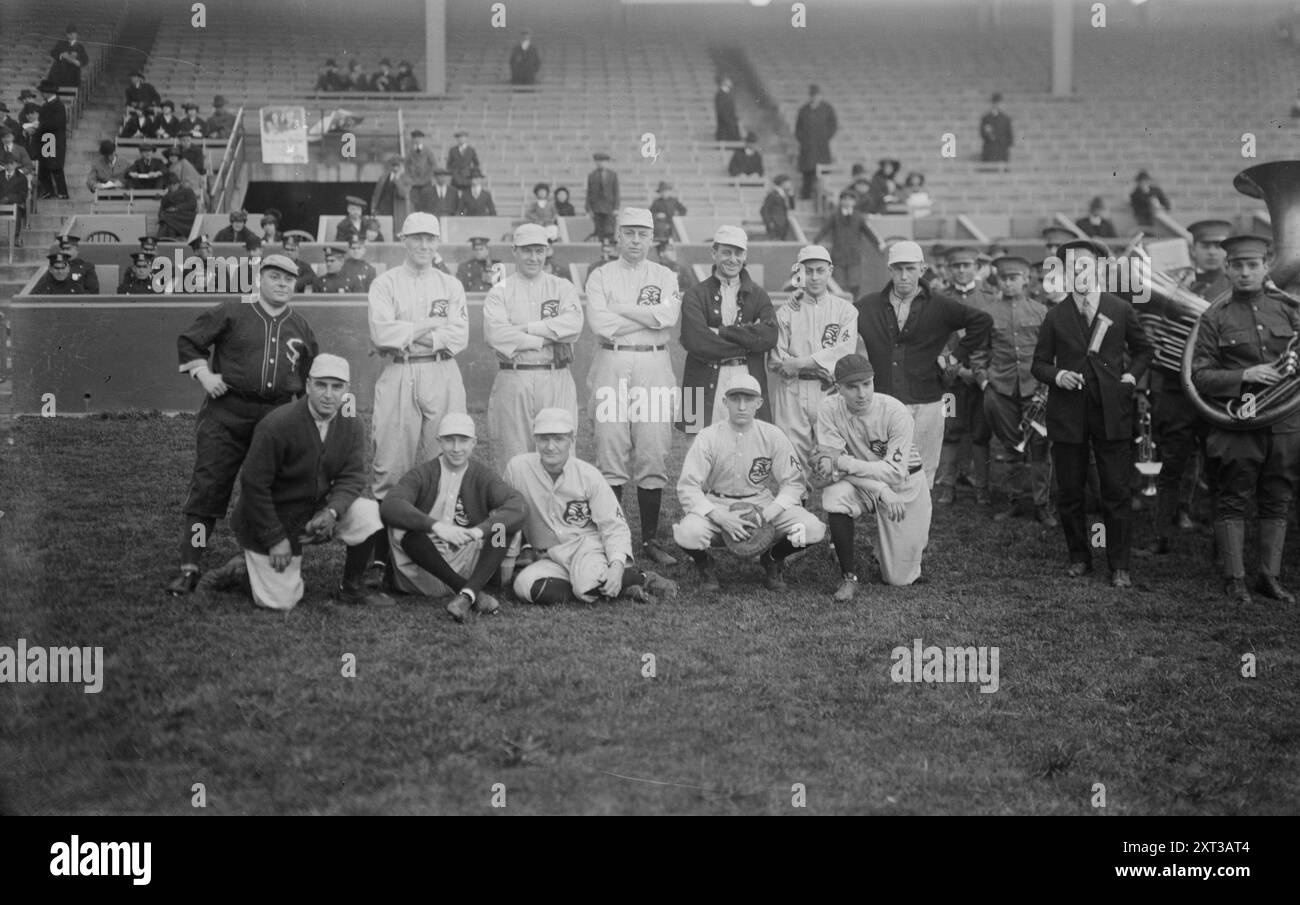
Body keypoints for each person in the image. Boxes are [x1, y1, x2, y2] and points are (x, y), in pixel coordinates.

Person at [166, 254, 318, 595]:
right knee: (209, 489)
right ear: (260, 279)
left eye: (288, 279)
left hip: (276, 416)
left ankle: (254, 560)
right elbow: (190, 340)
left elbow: (310, 375)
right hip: (227, 412)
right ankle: (190, 565)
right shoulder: (233, 310)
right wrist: (203, 374)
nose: (282, 284)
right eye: (275, 276)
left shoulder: (301, 325)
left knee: (271, 489)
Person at [223, 353, 394, 610]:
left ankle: (352, 589)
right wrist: (274, 538)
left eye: (337, 387)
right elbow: (254, 485)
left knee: (369, 512)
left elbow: (353, 475)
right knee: (282, 602)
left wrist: (332, 512)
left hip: (314, 511)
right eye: (321, 385)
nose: (329, 394)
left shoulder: (351, 423)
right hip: (273, 517)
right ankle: (240, 571)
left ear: (347, 390)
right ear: (307, 385)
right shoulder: (278, 424)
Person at [1031, 237, 1154, 589]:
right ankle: (1079, 557)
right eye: (1072, 268)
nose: (1079, 273)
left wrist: (1130, 377)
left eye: (1085, 266)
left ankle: (1119, 564)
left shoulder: (1119, 309)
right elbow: (1038, 364)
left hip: (1112, 411)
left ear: (1099, 269)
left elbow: (1145, 350)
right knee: (1070, 490)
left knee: (1115, 489)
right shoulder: (1055, 315)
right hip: (1067, 414)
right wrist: (1057, 375)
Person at [1191, 234, 1300, 603]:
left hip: (1284, 423)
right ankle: (1235, 578)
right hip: (1237, 423)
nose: (1245, 273)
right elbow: (1200, 375)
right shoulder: (1214, 316)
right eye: (1237, 266)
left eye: (1253, 265)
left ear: (1267, 267)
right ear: (1226, 269)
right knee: (1233, 497)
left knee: (1277, 497)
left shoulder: (1287, 309)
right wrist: (1245, 376)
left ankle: (1269, 577)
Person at [584, 206, 683, 566]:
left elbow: (667, 318)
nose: (636, 240)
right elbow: (599, 324)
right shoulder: (600, 275)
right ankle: (615, 537)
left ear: (652, 238)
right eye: (629, 232)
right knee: (610, 445)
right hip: (611, 360)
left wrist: (621, 309)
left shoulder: (666, 275)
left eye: (643, 233)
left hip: (656, 362)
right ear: (618, 236)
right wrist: (645, 316)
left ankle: (651, 540)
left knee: (653, 449)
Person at [505, 409, 678, 605]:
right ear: (535, 438)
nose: (550, 446)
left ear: (572, 438)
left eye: (559, 439)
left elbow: (614, 526)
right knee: (524, 587)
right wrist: (505, 556)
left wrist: (617, 566)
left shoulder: (589, 475)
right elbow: (503, 515)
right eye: (544, 439)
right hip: (548, 555)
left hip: (586, 549)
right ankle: (616, 588)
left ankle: (642, 578)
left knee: (585, 585)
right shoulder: (517, 469)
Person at [855, 240, 993, 487]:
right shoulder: (869, 305)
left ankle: (917, 523)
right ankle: (891, 522)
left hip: (927, 401)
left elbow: (981, 322)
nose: (903, 276)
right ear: (890, 270)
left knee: (922, 474)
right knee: (886, 473)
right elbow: (838, 319)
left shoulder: (939, 305)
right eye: (897, 269)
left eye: (910, 268)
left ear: (922, 269)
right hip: (884, 399)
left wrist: (953, 358)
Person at [673, 375, 827, 590]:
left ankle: (773, 558)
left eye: (749, 399)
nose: (742, 406)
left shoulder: (772, 434)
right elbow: (688, 486)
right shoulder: (707, 436)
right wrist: (721, 517)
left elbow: (794, 482)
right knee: (687, 534)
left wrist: (771, 511)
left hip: (762, 503)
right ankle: (704, 563)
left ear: (759, 403)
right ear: (725, 402)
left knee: (811, 529)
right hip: (719, 503)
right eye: (735, 399)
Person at [1138, 218, 1231, 553]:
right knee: (1172, 461)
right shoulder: (1177, 281)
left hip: (1217, 390)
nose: (1211, 252)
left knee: (1220, 466)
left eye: (1219, 246)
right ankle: (1161, 535)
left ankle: (1223, 548)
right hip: (1174, 385)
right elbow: (1150, 324)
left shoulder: (1233, 289)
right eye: (1205, 246)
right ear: (1193, 249)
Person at [368, 212, 469, 518]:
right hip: (400, 368)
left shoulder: (450, 284)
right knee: (390, 461)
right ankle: (383, 553)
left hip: (442, 370)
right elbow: (382, 334)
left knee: (446, 455)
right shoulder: (385, 283)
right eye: (417, 238)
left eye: (430, 238)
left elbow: (459, 336)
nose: (424, 245)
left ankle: (438, 538)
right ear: (404, 241)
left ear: (438, 241)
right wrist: (430, 324)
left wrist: (407, 330)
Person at [380, 413, 528, 620]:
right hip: (424, 566)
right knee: (403, 529)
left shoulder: (481, 475)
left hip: (467, 562)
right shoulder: (423, 474)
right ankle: (471, 592)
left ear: (474, 443)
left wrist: (478, 531)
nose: (456, 448)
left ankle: (466, 595)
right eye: (449, 440)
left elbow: (517, 505)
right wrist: (436, 527)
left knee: (503, 529)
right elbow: (390, 505)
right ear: (439, 441)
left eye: (464, 440)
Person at [814, 354, 932, 595]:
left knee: (898, 579)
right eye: (852, 387)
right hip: (867, 486)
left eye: (867, 384)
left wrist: (844, 461)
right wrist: (879, 489)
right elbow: (831, 469)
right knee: (835, 494)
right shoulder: (828, 408)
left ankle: (887, 551)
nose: (861, 394)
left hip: (905, 483)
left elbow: (894, 472)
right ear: (838, 388)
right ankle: (849, 577)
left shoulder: (895, 411)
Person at [485, 222, 584, 467]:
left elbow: (573, 326)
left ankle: (558, 505)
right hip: (514, 376)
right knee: (513, 454)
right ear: (514, 251)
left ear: (547, 252)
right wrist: (546, 337)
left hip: (556, 375)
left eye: (539, 251)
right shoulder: (500, 291)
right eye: (527, 250)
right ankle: (516, 505)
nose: (533, 257)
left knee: (560, 451)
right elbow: (496, 334)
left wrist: (526, 328)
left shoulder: (562, 286)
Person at [973, 255, 1054, 524]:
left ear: (1025, 280)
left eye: (1013, 279)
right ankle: (1016, 501)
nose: (1008, 284)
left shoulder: (1040, 311)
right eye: (1003, 279)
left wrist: (1046, 385)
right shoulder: (989, 312)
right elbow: (979, 352)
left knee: (1040, 448)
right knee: (1011, 448)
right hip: (1002, 389)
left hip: (1036, 389)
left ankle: (1042, 504)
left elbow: (1051, 353)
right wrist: (984, 381)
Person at [767, 244, 859, 475]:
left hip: (829, 389)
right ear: (799, 273)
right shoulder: (786, 312)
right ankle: (797, 508)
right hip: (793, 389)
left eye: (820, 270)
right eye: (808, 271)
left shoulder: (845, 310)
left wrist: (799, 363)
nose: (814, 277)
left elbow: (844, 352)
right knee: (791, 456)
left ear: (830, 271)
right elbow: (778, 359)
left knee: (835, 454)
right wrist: (810, 364)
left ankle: (837, 510)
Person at [677, 225, 777, 433]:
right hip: (698, 380)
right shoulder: (694, 294)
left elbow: (769, 336)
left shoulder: (759, 295)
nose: (733, 259)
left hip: (747, 374)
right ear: (714, 253)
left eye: (738, 253)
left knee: (750, 447)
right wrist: (750, 342)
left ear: (745, 255)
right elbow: (695, 341)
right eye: (726, 252)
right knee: (696, 446)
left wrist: (722, 332)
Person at [934, 246, 996, 506]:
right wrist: (956, 368)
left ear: (976, 266)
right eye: (956, 266)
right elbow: (937, 340)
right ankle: (947, 485)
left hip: (981, 379)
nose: (961, 270)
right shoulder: (939, 299)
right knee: (950, 431)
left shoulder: (990, 297)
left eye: (966, 265)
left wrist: (980, 372)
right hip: (951, 378)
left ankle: (981, 486)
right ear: (948, 269)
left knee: (981, 433)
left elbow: (996, 340)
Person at [814, 190, 873, 298]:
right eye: (845, 199)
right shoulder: (835, 216)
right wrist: (814, 242)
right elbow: (824, 230)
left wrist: (879, 244)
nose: (847, 202)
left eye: (850, 199)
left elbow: (869, 232)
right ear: (840, 201)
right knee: (839, 283)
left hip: (854, 255)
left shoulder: (858, 216)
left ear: (855, 202)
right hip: (838, 254)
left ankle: (855, 305)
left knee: (854, 283)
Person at [794, 84, 837, 200]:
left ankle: (821, 199)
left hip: (821, 149)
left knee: (822, 177)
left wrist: (824, 137)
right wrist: (804, 140)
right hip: (807, 150)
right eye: (813, 95)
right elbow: (798, 129)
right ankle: (806, 198)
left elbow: (833, 126)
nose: (815, 98)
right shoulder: (804, 110)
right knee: (807, 176)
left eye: (817, 95)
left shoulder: (827, 109)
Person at [35, 81, 68, 199]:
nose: (42, 94)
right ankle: (49, 191)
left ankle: (62, 192)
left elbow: (56, 123)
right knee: (44, 166)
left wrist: (40, 125)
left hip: (54, 139)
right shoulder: (46, 104)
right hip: (46, 139)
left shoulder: (58, 105)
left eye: (43, 92)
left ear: (48, 92)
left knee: (56, 167)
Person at [585, 152, 620, 242]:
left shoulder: (612, 175)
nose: (600, 163)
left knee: (610, 231)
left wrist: (616, 208)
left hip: (609, 208)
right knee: (599, 232)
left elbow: (616, 192)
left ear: (607, 162)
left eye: (603, 161)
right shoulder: (592, 175)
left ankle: (611, 252)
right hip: (597, 208)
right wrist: (589, 209)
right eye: (598, 161)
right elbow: (589, 193)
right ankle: (601, 253)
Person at [46, 25, 88, 89]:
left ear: (76, 35)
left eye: (73, 33)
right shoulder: (60, 43)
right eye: (70, 34)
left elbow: (85, 60)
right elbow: (53, 52)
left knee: (69, 94)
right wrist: (61, 55)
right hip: (59, 73)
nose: (72, 35)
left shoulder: (80, 47)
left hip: (72, 76)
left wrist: (78, 62)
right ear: (67, 35)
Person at [157, 174, 198, 240]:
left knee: (166, 218)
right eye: (170, 185)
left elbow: (192, 204)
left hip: (185, 218)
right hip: (172, 218)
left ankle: (159, 241)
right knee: (169, 225)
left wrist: (177, 208)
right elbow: (162, 208)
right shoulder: (167, 195)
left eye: (174, 184)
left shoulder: (188, 191)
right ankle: (171, 243)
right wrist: (165, 197)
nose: (172, 187)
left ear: (178, 184)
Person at [0, 156, 28, 246]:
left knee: (17, 210)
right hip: (0, 204)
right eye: (6, 164)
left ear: (16, 164)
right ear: (4, 165)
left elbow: (23, 196)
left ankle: (15, 237)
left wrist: (9, 198)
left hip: (15, 204)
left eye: (11, 163)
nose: (9, 166)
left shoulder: (22, 177)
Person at [979, 92, 1013, 163]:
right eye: (995, 102)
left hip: (1002, 152)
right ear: (992, 103)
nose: (997, 105)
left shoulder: (1005, 119)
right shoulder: (986, 118)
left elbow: (1010, 137)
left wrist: (1003, 144)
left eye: (999, 102)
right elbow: (983, 133)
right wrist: (990, 136)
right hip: (989, 152)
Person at [371, 157, 407, 222]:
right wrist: (373, 208)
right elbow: (376, 194)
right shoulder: (383, 178)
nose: (395, 168)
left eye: (398, 166)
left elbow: (403, 194)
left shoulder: (406, 179)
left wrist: (397, 179)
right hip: (382, 212)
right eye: (393, 165)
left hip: (397, 213)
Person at [761, 174, 795, 240]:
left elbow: (792, 207)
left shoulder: (784, 194)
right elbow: (764, 210)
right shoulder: (773, 194)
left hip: (783, 225)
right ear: (782, 183)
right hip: (775, 226)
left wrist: (791, 196)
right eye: (788, 182)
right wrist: (769, 223)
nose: (790, 184)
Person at [714, 75, 740, 142]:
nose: (731, 82)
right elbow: (721, 111)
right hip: (725, 127)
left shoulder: (728, 93)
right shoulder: (720, 94)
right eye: (728, 81)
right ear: (724, 82)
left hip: (730, 125)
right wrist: (730, 121)